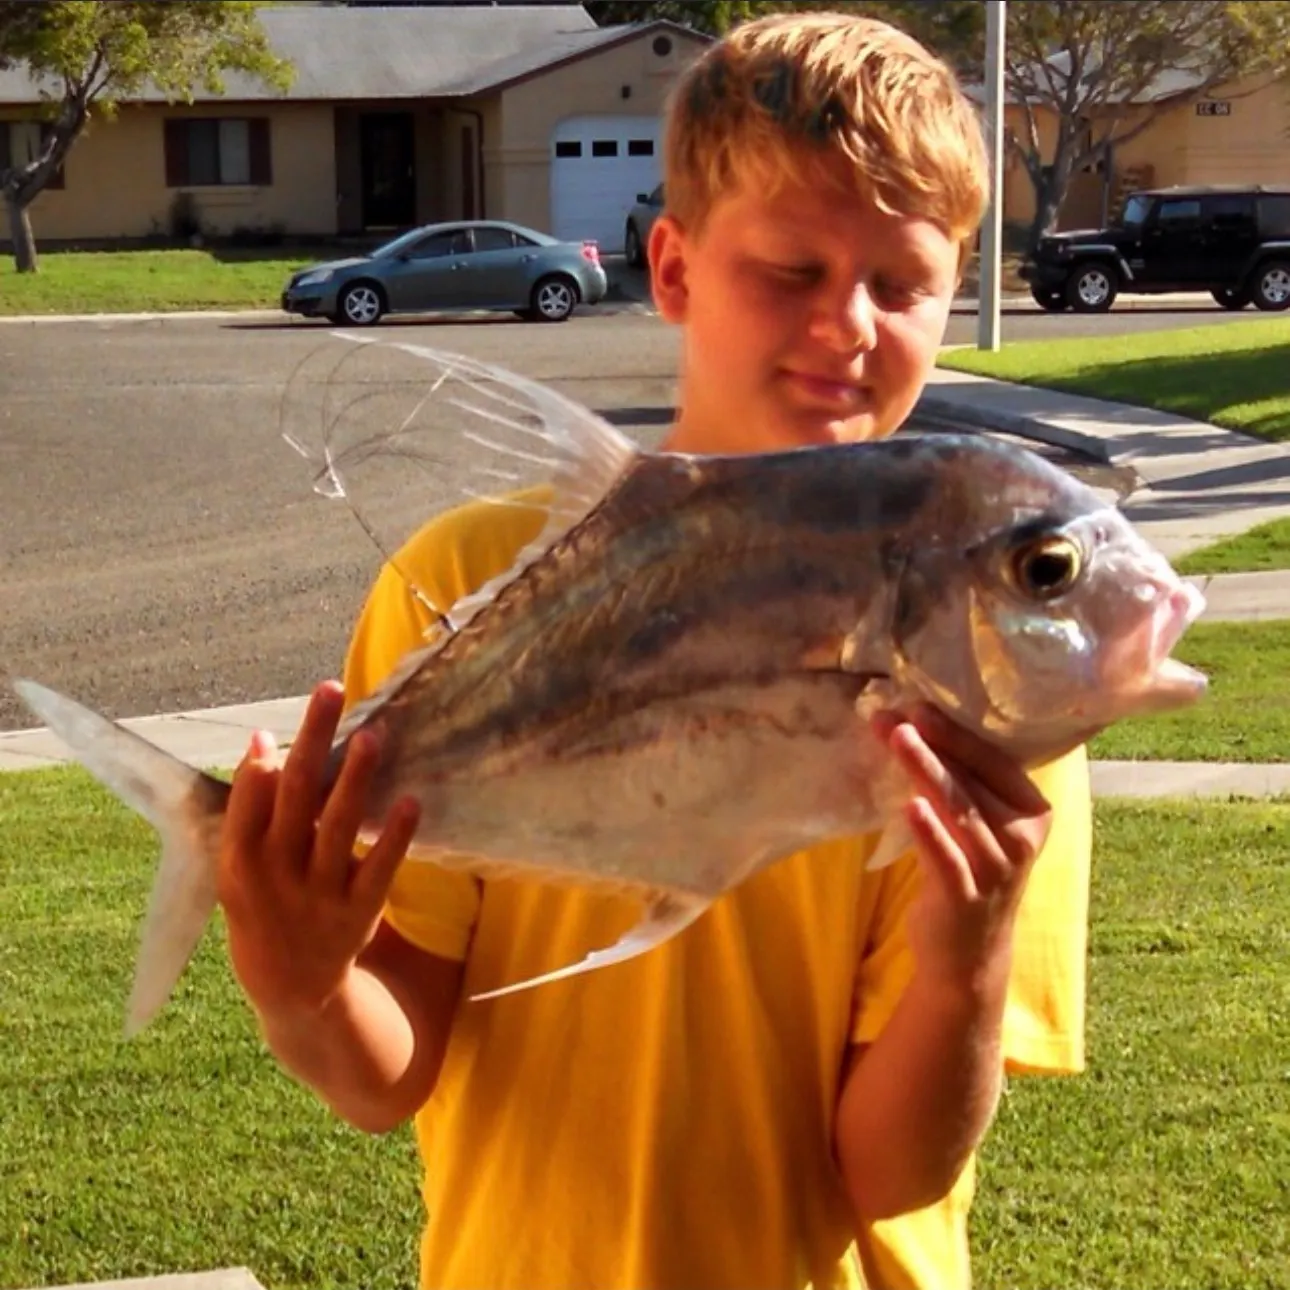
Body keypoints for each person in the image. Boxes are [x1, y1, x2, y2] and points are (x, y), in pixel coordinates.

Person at [216, 12, 1092, 1289]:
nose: (849, 324)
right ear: (672, 269)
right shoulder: (468, 580)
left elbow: (889, 1177)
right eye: (792, 271)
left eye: (900, 285)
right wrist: (302, 986)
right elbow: (388, 1072)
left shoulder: (991, 676)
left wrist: (967, 965)